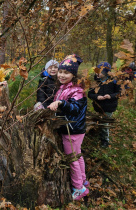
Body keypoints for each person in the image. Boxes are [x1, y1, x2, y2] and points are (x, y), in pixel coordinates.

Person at [47, 54, 89, 201]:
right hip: (71, 128)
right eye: (60, 72)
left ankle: (78, 188)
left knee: (72, 158)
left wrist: (60, 104)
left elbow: (75, 108)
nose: (62, 75)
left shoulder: (77, 90)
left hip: (72, 130)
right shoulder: (64, 87)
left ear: (73, 74)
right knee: (77, 155)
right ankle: (83, 180)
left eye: (66, 73)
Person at [88, 62, 120, 148]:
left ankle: (105, 141)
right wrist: (97, 97)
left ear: (106, 73)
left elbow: (119, 93)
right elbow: (90, 94)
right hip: (98, 107)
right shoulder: (95, 81)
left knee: (105, 124)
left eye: (100, 72)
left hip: (109, 107)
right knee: (100, 121)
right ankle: (99, 134)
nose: (97, 74)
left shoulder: (114, 81)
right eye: (97, 71)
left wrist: (110, 96)